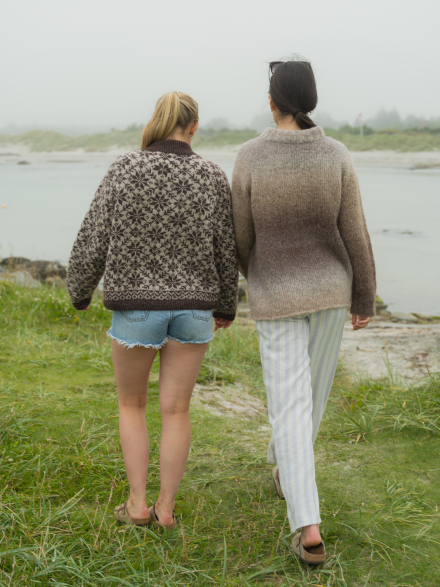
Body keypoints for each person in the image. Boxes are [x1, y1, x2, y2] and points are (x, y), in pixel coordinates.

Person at [67, 92, 238, 530]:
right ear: (194, 126)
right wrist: (226, 306)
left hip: (136, 308)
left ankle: (137, 504)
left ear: (156, 120)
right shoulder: (212, 175)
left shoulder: (125, 168)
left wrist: (80, 291)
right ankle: (166, 510)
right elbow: (226, 247)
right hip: (194, 310)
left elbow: (94, 236)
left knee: (132, 404)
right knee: (176, 410)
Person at [231, 59, 376, 565]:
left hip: (276, 295)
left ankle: (308, 526)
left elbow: (241, 236)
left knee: (292, 405)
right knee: (308, 399)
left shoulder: (250, 156)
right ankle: (285, 472)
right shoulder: (336, 153)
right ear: (309, 98)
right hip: (332, 292)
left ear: (273, 101)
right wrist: (363, 295)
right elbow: (355, 231)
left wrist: (257, 276)